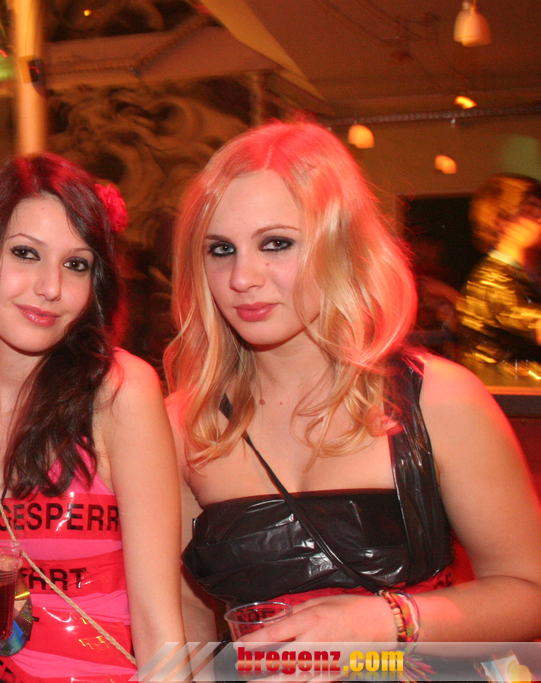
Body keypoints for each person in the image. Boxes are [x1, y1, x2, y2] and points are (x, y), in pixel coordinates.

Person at [165, 121, 541, 647]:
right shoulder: (185, 423)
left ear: (340, 246)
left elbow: (529, 593)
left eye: (276, 243)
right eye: (221, 250)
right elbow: (181, 618)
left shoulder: (437, 398)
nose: (243, 277)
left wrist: (386, 622)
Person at [0, 153, 185, 682]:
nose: (50, 287)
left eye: (76, 264)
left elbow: (160, 627)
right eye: (26, 254)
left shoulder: (119, 392)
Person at [457, 173, 541, 369]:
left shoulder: (525, 276)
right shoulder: (491, 280)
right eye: (531, 210)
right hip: (503, 387)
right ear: (501, 221)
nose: (539, 218)